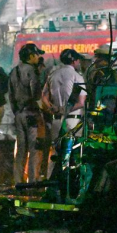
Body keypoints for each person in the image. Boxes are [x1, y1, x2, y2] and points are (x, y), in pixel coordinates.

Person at [43, 48, 87, 177]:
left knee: (55, 153)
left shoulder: (53, 74)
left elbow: (44, 96)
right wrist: (64, 110)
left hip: (56, 119)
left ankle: (51, 183)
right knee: (72, 153)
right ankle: (68, 182)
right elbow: (81, 102)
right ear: (74, 61)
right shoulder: (78, 77)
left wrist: (52, 108)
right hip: (73, 120)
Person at [10, 43, 44, 184]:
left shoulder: (14, 71)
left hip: (18, 114)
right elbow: (36, 95)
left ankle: (18, 181)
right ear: (30, 56)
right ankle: (31, 182)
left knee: (21, 150)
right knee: (34, 149)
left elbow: (11, 95)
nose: (38, 57)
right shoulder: (32, 71)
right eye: (36, 54)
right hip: (31, 114)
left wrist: (16, 111)